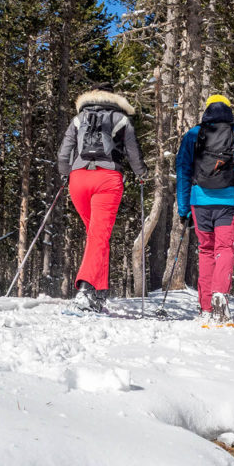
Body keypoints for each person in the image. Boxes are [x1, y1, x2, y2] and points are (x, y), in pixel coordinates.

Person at [57, 82, 148, 313]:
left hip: (78, 180)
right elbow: (133, 151)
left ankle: (100, 291)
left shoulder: (78, 119)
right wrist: (141, 173)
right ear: (112, 97)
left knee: (97, 235)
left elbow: (64, 152)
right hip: (107, 179)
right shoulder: (121, 118)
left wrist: (66, 174)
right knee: (99, 235)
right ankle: (86, 289)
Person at [175, 94, 234, 323]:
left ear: (207, 109)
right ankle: (220, 294)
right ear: (229, 110)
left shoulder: (193, 134)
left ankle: (205, 307)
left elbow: (183, 171)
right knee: (225, 248)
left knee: (206, 251)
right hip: (228, 201)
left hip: (199, 202)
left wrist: (183, 208)